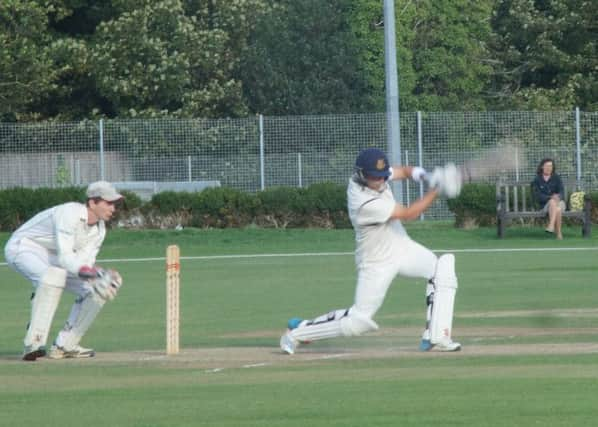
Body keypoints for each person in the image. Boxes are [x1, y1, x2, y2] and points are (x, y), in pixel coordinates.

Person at [279, 148, 463, 354]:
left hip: (402, 247)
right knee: (358, 321)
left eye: (382, 177)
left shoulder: (377, 175)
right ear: (361, 175)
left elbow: (402, 171)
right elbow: (410, 213)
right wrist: (437, 189)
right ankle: (296, 334)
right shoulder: (364, 202)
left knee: (441, 269)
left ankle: (436, 337)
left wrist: (426, 175)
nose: (380, 182)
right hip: (376, 262)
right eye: (374, 178)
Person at [4, 181, 125, 361]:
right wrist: (91, 272)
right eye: (108, 203)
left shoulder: (99, 230)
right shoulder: (69, 213)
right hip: (24, 247)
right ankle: (34, 342)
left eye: (115, 203)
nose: (113, 208)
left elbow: (84, 263)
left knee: (97, 290)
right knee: (53, 277)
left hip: (54, 256)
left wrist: (99, 276)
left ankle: (65, 345)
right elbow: (67, 258)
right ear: (92, 203)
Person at [532, 158, 565, 240]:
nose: (549, 168)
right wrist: (550, 197)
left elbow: (562, 192)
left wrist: (558, 196)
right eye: (547, 166)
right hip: (545, 206)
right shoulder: (537, 179)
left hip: (560, 202)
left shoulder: (557, 178)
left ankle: (551, 226)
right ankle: (559, 234)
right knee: (556, 207)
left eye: (551, 166)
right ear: (542, 167)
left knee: (556, 204)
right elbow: (537, 195)